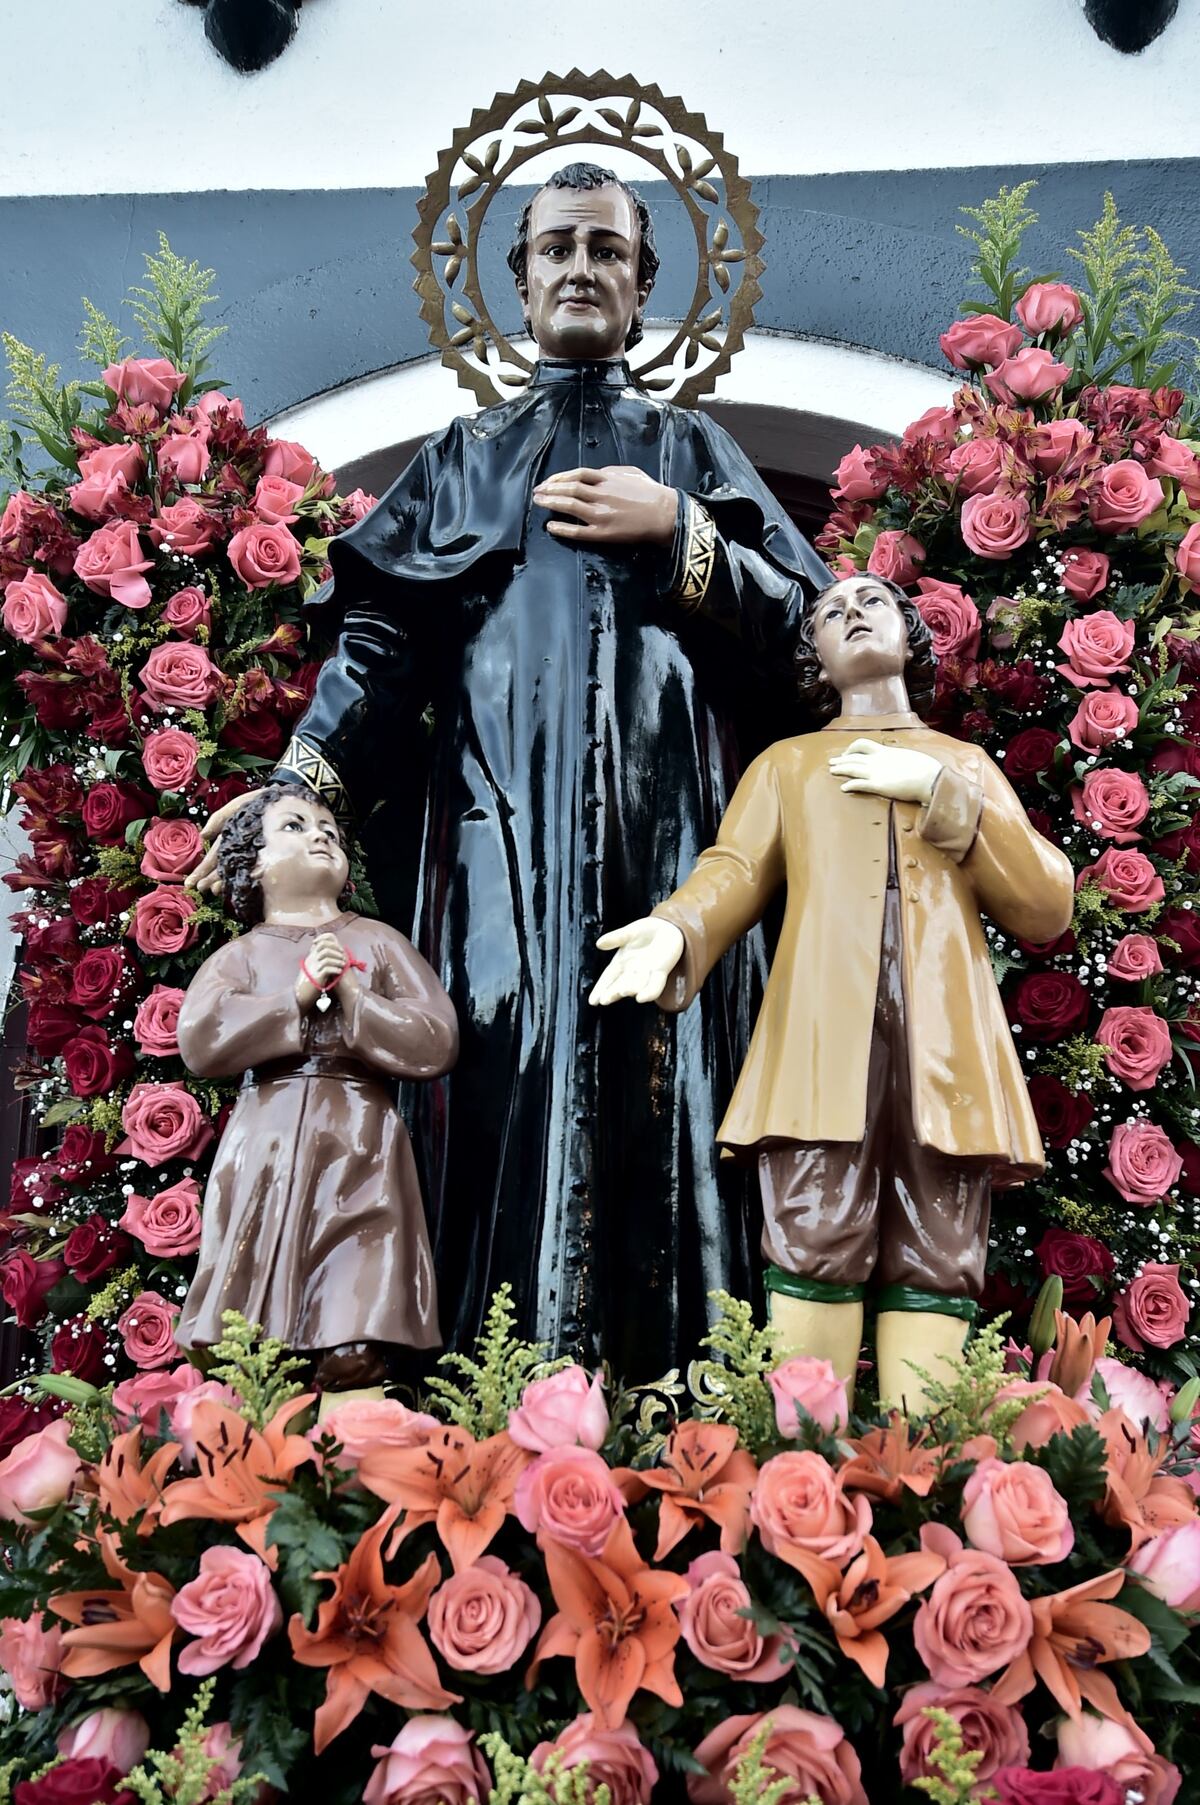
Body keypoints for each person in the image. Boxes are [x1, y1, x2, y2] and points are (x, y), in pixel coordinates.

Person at [195, 161, 829, 1377]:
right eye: (556, 249)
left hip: (672, 838)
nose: (581, 267)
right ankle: (486, 1417)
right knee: (492, 1082)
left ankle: (692, 1422)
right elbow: (380, 650)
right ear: (520, 284)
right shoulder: (463, 459)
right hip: (496, 848)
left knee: (675, 1097)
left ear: (645, 287)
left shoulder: (692, 449)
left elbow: (815, 643)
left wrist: (685, 535)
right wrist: (306, 779)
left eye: (607, 249)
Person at [591, 574, 1074, 1411]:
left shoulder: (963, 763)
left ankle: (919, 1470)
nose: (850, 613)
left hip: (947, 1052)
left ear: (913, 636)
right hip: (821, 1046)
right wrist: (677, 928)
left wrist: (938, 792)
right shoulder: (789, 765)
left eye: (871, 601)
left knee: (939, 1243)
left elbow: (1044, 902)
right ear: (811, 655)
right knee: (815, 1229)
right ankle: (801, 1468)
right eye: (829, 612)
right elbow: (735, 868)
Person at [176, 781, 458, 1404]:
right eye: (295, 826)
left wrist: (358, 1002)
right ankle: (258, 1399)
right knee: (251, 1295)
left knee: (361, 1247)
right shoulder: (241, 956)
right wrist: (293, 1001)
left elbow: (435, 1037)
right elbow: (200, 1039)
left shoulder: (379, 942)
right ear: (252, 867)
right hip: (266, 1136)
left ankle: (355, 1363)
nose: (321, 833)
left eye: (328, 825)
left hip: (358, 1132)